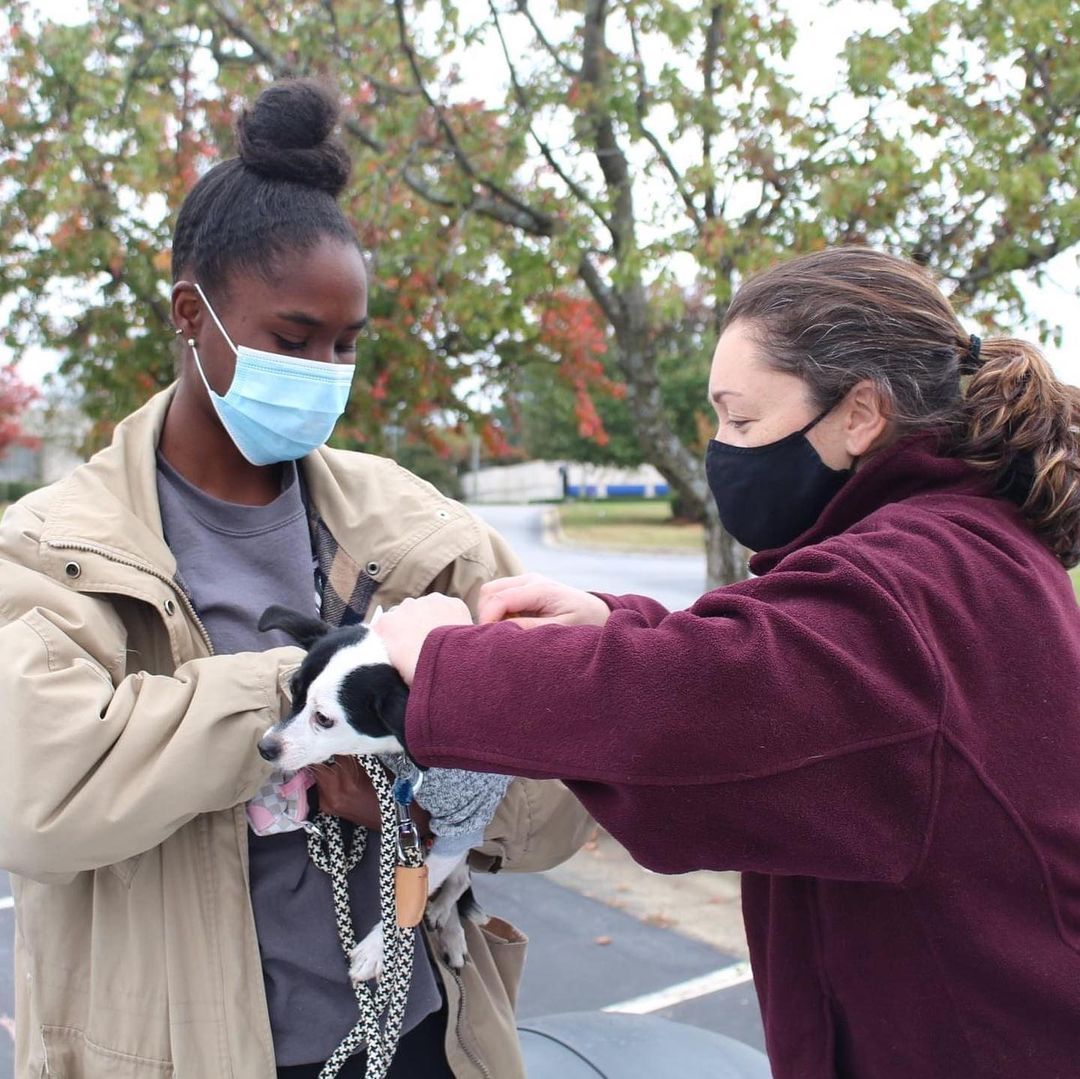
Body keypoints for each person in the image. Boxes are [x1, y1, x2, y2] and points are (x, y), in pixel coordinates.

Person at [0, 79, 590, 1079]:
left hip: (419, 1040)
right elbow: (36, 795)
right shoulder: (53, 548)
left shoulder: (420, 529)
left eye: (345, 343)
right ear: (193, 314)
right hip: (177, 1052)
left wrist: (416, 793)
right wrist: (324, 689)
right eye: (291, 337)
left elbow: (561, 794)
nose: (324, 367)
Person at [371, 247, 1080, 1079]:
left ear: (861, 413)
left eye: (741, 421)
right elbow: (788, 676)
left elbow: (692, 710)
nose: (722, 448)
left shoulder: (914, 586)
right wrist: (612, 621)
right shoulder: (955, 545)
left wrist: (440, 659)